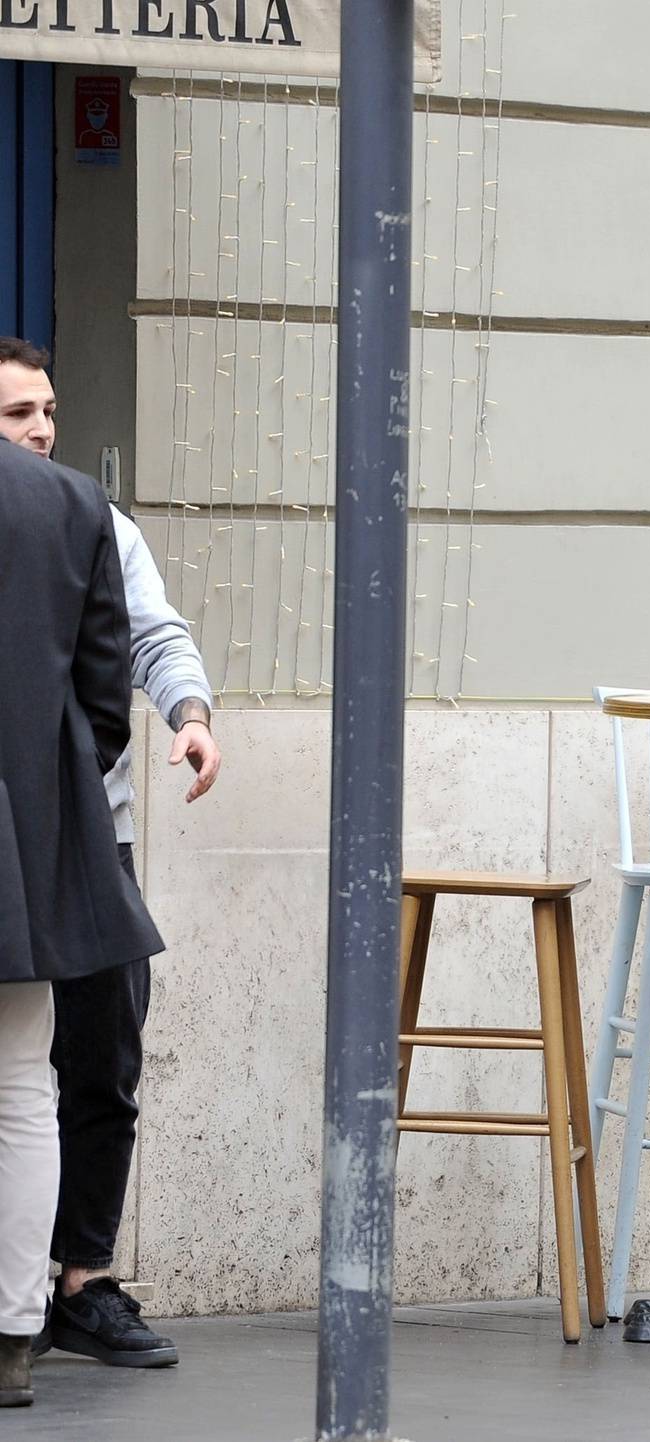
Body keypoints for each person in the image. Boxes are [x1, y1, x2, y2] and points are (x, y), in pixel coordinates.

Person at [0, 338, 220, 1369]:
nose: (40, 428)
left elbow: (152, 636)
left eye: (45, 408)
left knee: (102, 1057)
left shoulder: (96, 519)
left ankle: (81, 1279)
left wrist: (188, 711)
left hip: (88, 844)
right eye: (15, 415)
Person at [0, 434, 165, 1407]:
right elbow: (106, 691)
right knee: (24, 1084)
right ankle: (15, 1330)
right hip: (23, 843)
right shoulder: (69, 503)